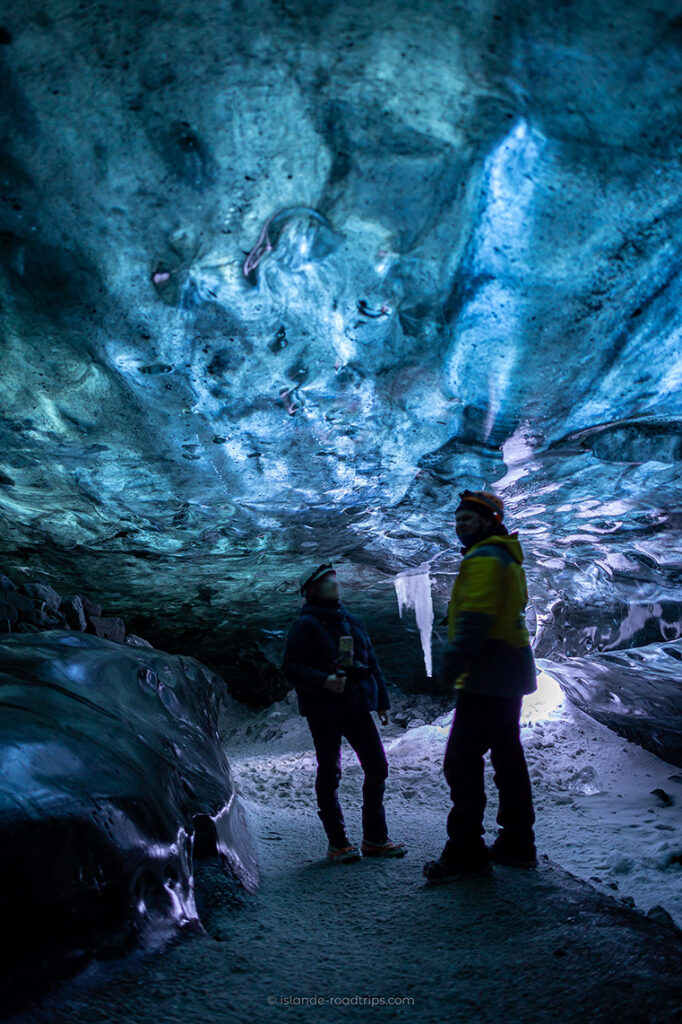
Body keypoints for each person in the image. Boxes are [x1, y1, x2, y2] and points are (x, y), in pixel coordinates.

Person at [423, 490, 538, 885]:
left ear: (489, 520)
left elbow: (475, 618)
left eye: (467, 520)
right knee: (507, 756)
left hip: (488, 674)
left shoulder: (485, 558)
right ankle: (517, 842)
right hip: (510, 670)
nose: (460, 527)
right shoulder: (505, 555)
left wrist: (450, 667)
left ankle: (466, 851)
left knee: (461, 761)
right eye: (457, 520)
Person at [282, 563, 407, 863]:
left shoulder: (353, 622)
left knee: (377, 767)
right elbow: (292, 668)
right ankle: (338, 843)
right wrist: (323, 681)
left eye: (335, 580)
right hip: (324, 710)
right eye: (327, 581)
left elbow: (371, 661)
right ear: (310, 590)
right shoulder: (305, 626)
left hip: (355, 706)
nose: (334, 585)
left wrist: (381, 702)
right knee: (330, 772)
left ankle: (375, 839)